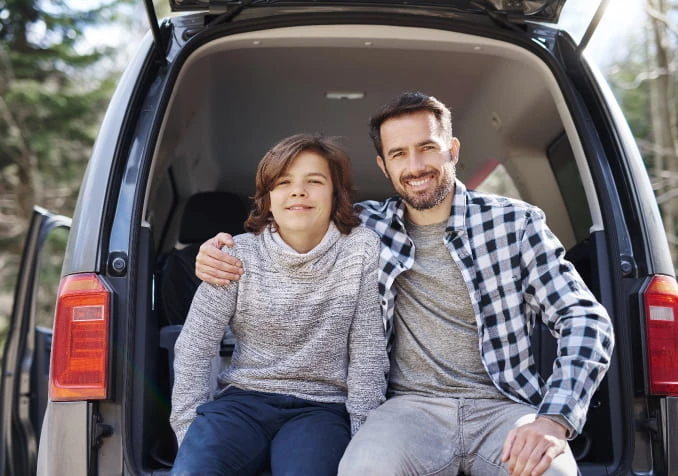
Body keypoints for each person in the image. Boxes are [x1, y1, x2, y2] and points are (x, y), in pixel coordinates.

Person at [194, 92, 615, 476]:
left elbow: (585, 320)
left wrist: (553, 418)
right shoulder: (363, 228)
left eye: (427, 148)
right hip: (407, 410)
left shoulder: (516, 224)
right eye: (399, 154)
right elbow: (295, 221)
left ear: (451, 150)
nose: (414, 167)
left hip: (505, 409)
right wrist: (219, 248)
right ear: (384, 165)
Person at [170, 133, 388, 475]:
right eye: (284, 182)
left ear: (336, 194)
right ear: (268, 197)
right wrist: (188, 432)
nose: (298, 191)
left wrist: (362, 439)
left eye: (314, 181)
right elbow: (195, 347)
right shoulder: (234, 254)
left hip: (320, 408)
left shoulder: (360, 250)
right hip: (242, 402)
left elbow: (367, 353)